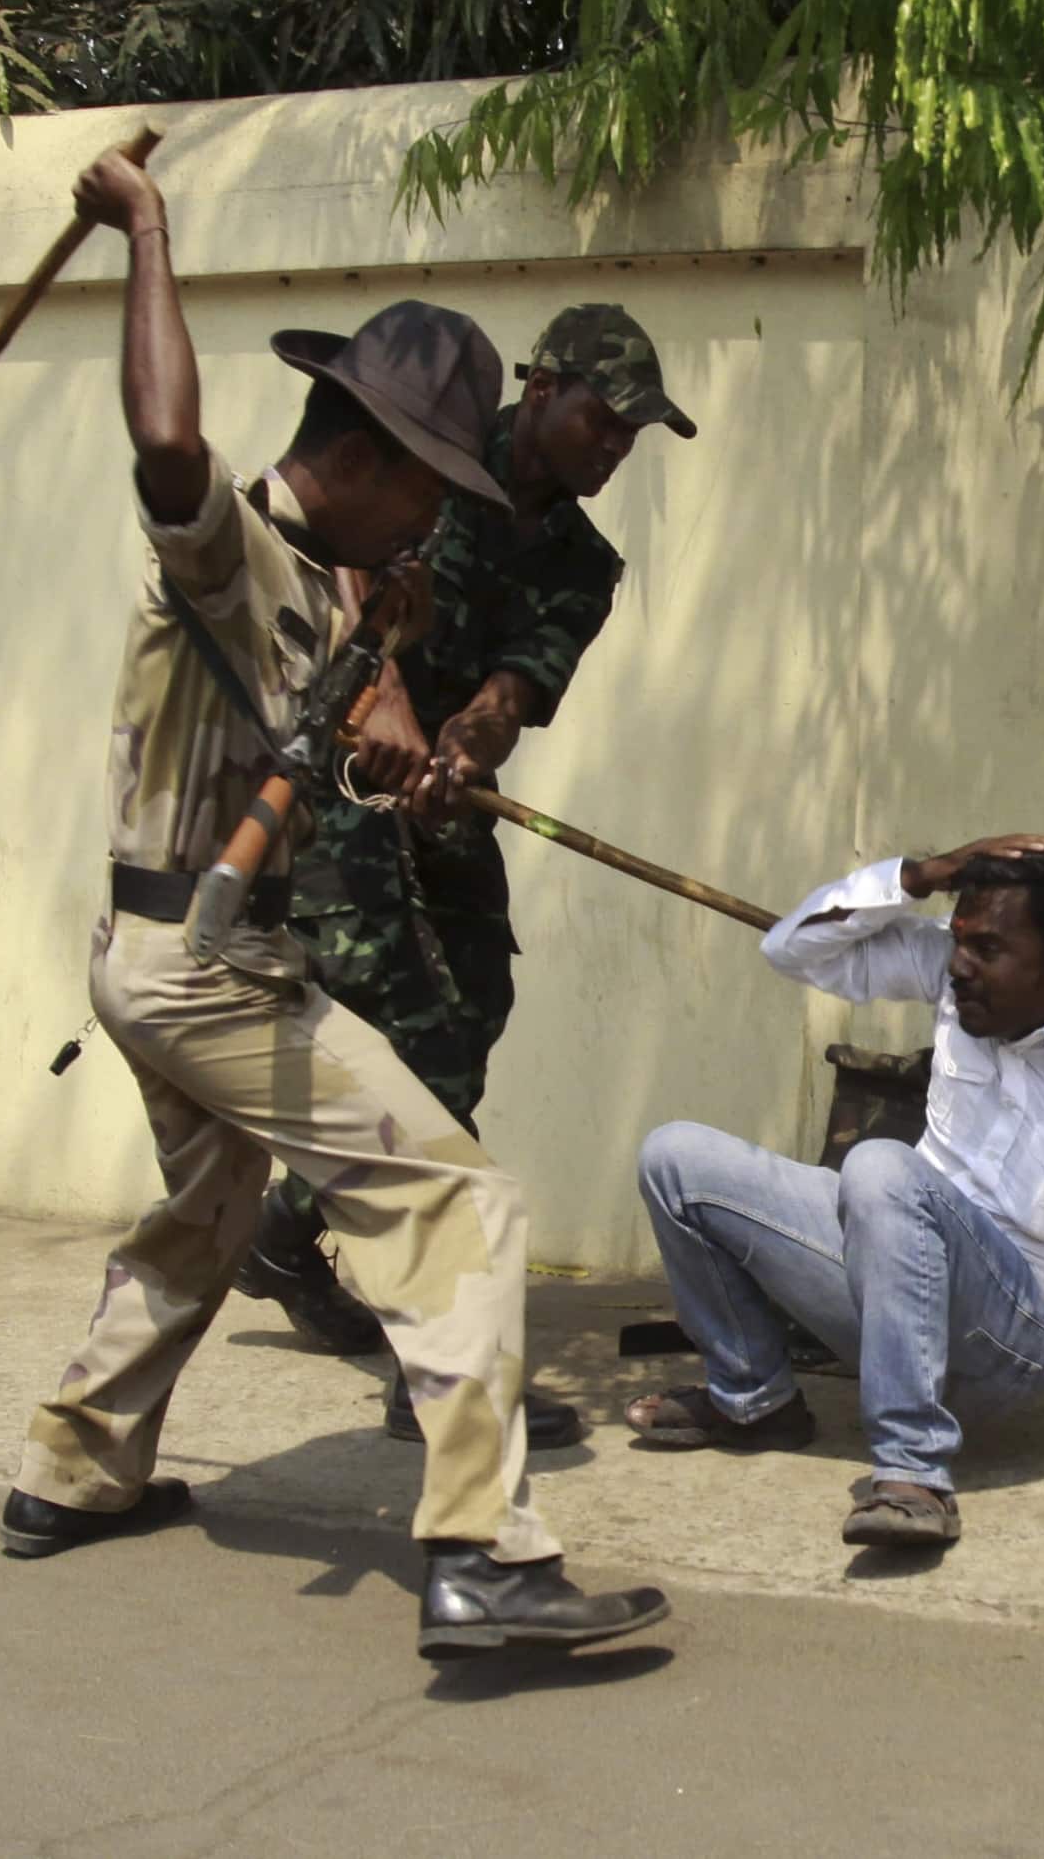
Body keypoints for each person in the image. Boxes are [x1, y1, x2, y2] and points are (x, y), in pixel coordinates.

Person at [0, 146, 667, 1659]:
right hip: (200, 962)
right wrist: (149, 230)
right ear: (362, 455)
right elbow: (166, 442)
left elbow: (351, 722)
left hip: (186, 947)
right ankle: (486, 1558)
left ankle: (77, 1470)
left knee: (211, 1208)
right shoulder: (234, 548)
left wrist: (411, 739)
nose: (440, 525)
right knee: (459, 1199)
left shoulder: (333, 584)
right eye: (431, 491)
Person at [233, 308, 695, 1467]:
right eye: (604, 417)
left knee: (475, 1008)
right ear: (540, 386)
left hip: (440, 804)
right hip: (333, 786)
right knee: (421, 1049)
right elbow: (334, 572)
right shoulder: (428, 451)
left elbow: (511, 687)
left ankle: (285, 1231)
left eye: (632, 436)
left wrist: (469, 748)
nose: (614, 448)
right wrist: (382, 698)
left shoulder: (583, 563)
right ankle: (436, 1357)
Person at [622, 836, 1044, 1548]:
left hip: (1013, 1344)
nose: (959, 968)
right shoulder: (958, 981)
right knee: (673, 1158)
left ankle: (914, 1476)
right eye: (959, 942)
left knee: (882, 1170)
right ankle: (754, 1400)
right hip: (894, 1283)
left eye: (987, 950)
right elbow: (791, 951)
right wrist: (918, 876)